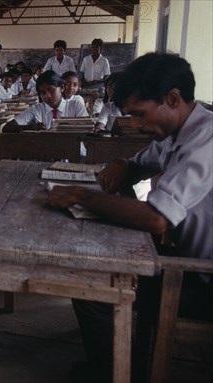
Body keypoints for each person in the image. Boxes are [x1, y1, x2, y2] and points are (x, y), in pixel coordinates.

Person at [48, 53, 213, 383]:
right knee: (98, 268)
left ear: (173, 99)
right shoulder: (178, 130)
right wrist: (123, 163)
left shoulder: (205, 141)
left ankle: (117, 375)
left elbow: (156, 219)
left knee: (94, 284)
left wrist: (82, 196)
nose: (135, 124)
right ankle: (118, 366)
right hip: (188, 262)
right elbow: (139, 162)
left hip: (203, 280)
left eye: (140, 114)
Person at [13, 70, 88, 129]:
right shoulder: (36, 109)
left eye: (51, 90)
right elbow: (8, 127)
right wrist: (31, 127)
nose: (47, 96)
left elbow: (87, 129)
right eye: (43, 92)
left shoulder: (75, 106)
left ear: (62, 87)